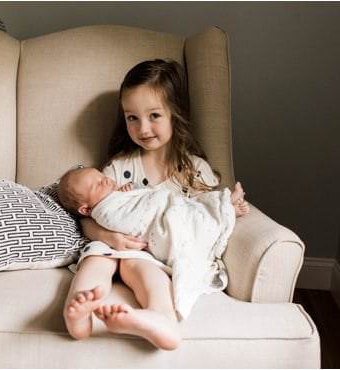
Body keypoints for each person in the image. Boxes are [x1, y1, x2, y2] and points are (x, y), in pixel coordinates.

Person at [61, 59, 250, 350]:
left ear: (175, 114)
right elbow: (90, 215)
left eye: (154, 116)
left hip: (160, 253)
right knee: (97, 256)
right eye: (132, 118)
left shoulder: (195, 169)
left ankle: (159, 319)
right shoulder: (119, 167)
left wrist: (229, 206)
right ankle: (80, 307)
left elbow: (207, 213)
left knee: (147, 272)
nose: (143, 128)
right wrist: (108, 237)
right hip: (123, 248)